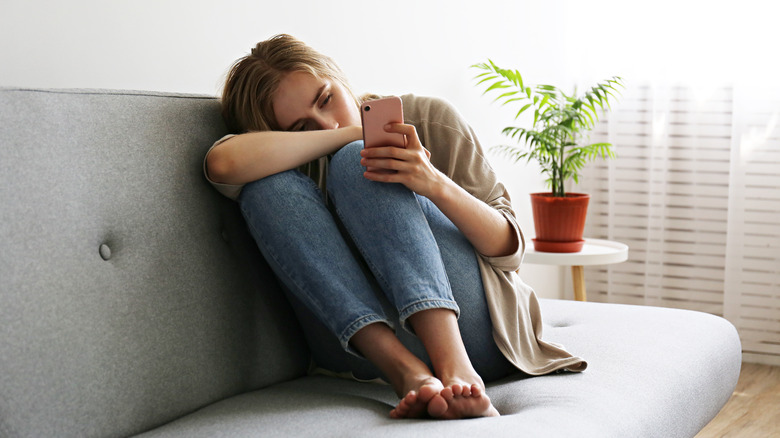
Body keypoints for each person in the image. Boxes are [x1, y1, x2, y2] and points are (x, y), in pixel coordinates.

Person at [204, 34, 586, 420]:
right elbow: (221, 164)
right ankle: (408, 373)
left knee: (358, 161)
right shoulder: (284, 159)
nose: (327, 122)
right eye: (301, 127)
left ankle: (455, 367)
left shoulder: (430, 117)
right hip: (361, 353)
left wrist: (432, 182)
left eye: (326, 99)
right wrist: (351, 134)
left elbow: (511, 252)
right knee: (268, 187)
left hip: (478, 336)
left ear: (338, 76)